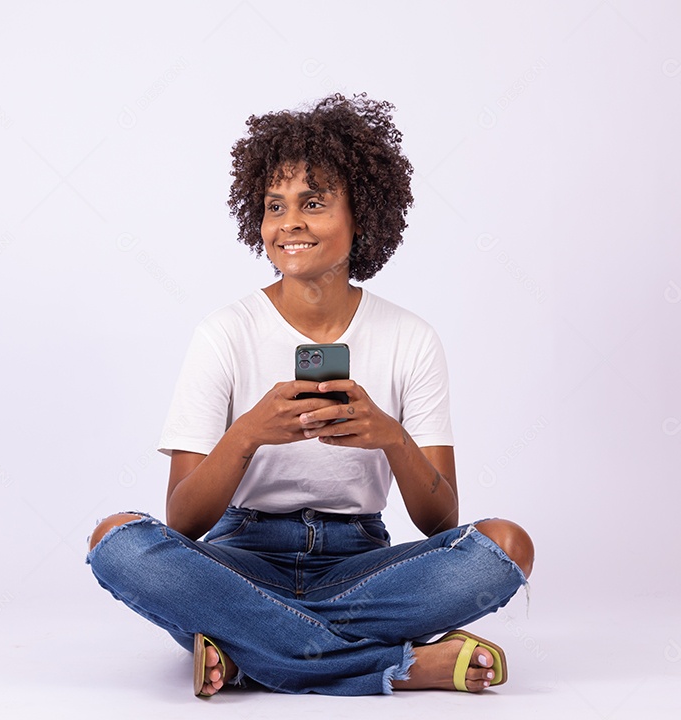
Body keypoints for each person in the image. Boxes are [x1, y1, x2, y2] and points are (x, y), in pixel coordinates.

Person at [86, 93, 534, 697]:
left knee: (505, 547)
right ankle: (398, 666)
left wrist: (391, 438)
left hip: (360, 565)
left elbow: (440, 523)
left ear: (362, 216)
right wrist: (247, 433)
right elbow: (183, 523)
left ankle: (245, 650)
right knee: (117, 541)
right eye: (275, 206)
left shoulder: (411, 338)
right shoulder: (224, 333)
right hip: (241, 559)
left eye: (314, 203)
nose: (289, 223)